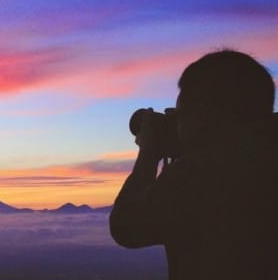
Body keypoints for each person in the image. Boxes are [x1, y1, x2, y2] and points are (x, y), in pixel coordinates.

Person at [110, 49, 278, 279]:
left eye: (182, 114)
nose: (177, 125)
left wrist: (148, 155)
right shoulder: (264, 159)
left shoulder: (203, 174)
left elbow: (125, 227)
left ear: (204, 116)